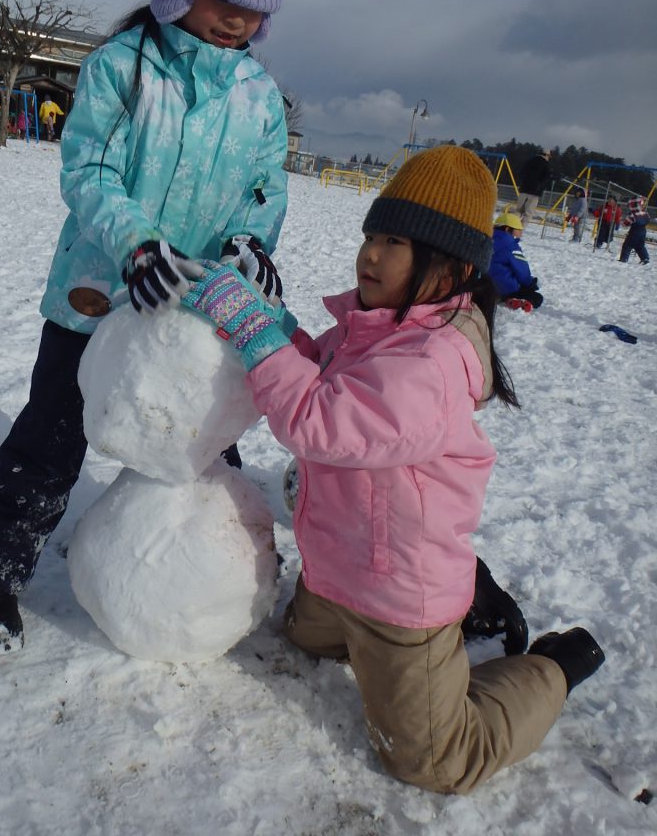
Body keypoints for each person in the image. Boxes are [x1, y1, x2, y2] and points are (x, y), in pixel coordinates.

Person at [0, 0, 288, 660]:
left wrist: (252, 240)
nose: (242, 14)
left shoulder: (261, 96)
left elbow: (265, 185)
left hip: (198, 314)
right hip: (97, 296)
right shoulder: (122, 67)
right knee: (51, 440)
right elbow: (89, 168)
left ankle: (216, 581)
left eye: (256, 1)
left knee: (209, 449)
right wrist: (136, 242)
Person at [181, 144, 605, 794]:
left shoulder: (432, 362)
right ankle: (463, 608)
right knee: (303, 638)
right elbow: (315, 369)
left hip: (400, 596)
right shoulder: (373, 326)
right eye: (371, 235)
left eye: (395, 242)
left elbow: (321, 421)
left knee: (431, 760)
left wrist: (254, 334)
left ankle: (550, 668)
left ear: (453, 266)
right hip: (335, 571)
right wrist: (272, 320)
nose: (371, 254)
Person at [488, 211, 543, 310]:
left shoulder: (487, 238)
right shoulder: (510, 245)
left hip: (485, 285)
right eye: (519, 229)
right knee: (538, 298)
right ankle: (515, 300)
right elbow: (521, 270)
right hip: (505, 288)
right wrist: (530, 283)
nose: (521, 232)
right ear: (508, 229)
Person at [515, 148, 552, 226]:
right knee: (528, 212)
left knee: (518, 210)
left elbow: (521, 173)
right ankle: (521, 228)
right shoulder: (546, 164)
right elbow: (545, 178)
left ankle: (512, 226)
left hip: (524, 189)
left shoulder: (530, 161)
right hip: (535, 192)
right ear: (547, 155)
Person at [619, 196, 650, 265]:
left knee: (627, 245)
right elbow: (648, 220)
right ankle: (645, 258)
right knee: (640, 245)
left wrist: (621, 221)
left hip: (635, 231)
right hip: (643, 230)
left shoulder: (632, 214)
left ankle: (624, 258)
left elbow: (626, 224)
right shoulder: (645, 213)